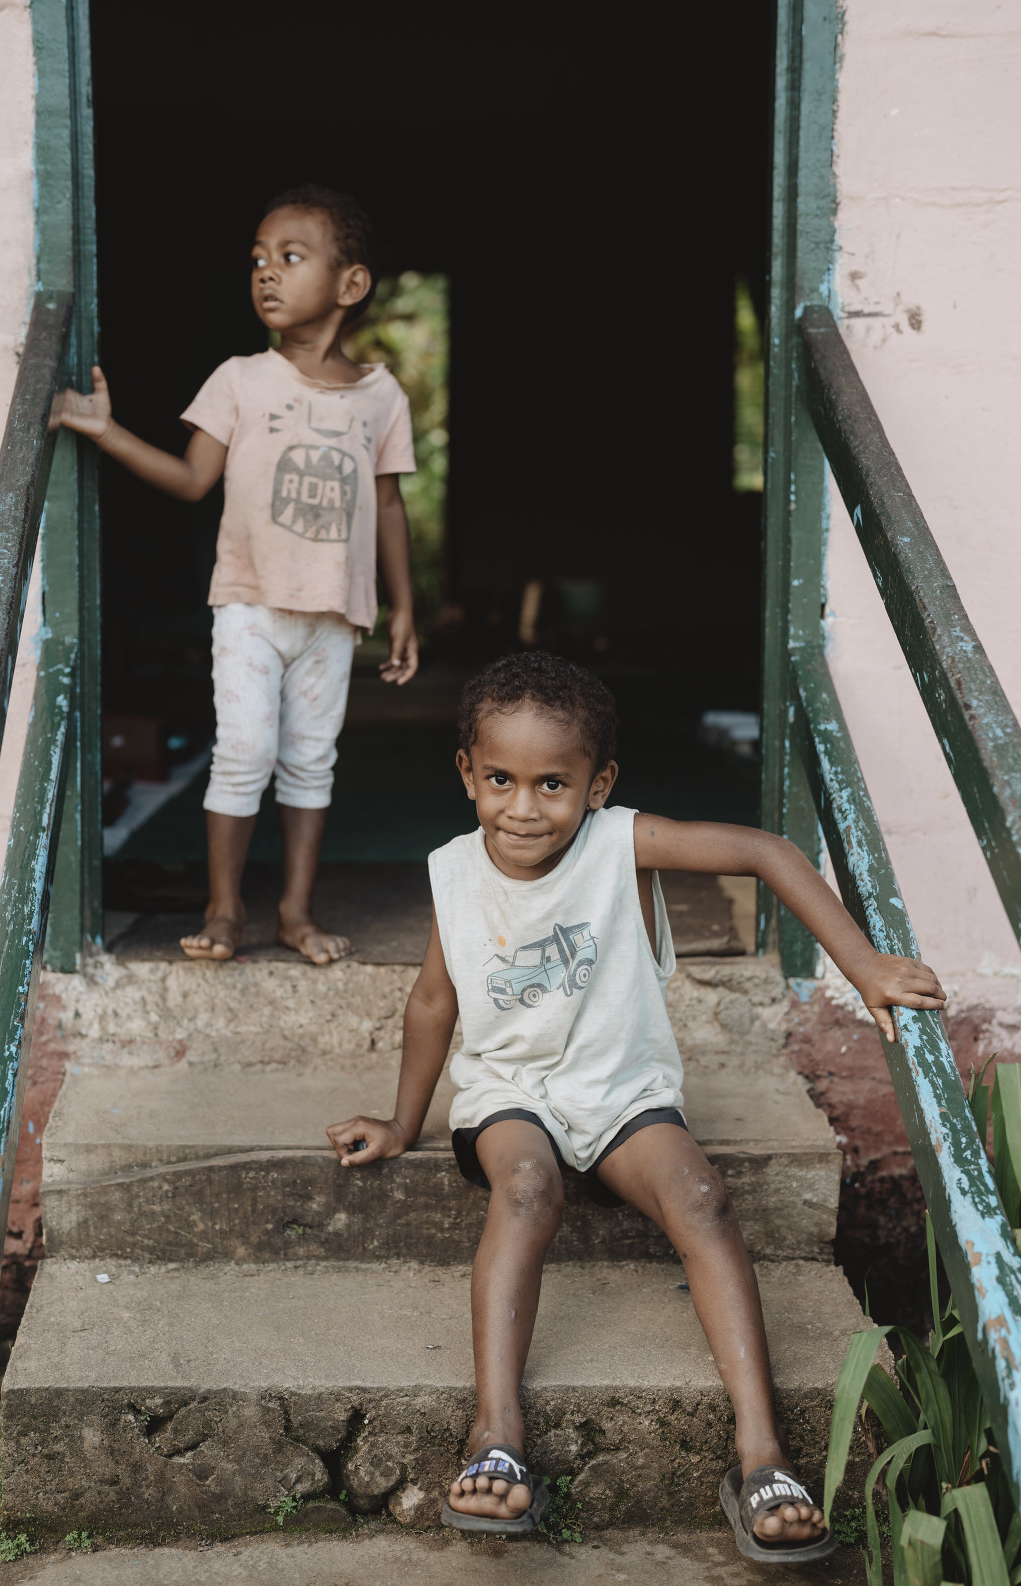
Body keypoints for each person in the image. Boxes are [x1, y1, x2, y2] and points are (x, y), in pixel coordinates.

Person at [326, 650, 946, 1562]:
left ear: (598, 784)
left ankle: (761, 1454)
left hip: (621, 1091)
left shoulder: (622, 841)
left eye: (551, 783)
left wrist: (864, 967)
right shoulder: (453, 871)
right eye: (499, 779)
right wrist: (400, 1122)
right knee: (526, 1188)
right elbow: (431, 1000)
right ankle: (495, 1431)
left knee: (702, 1199)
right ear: (466, 774)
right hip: (509, 1091)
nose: (523, 806)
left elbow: (764, 852)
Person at [60, 184, 418, 963]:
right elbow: (193, 480)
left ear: (350, 283)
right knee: (244, 752)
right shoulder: (239, 379)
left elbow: (388, 504)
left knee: (310, 764)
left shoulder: (380, 396)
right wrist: (106, 432)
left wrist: (402, 607)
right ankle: (223, 909)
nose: (266, 273)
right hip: (249, 606)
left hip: (333, 618)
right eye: (257, 260)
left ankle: (295, 912)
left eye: (290, 257)